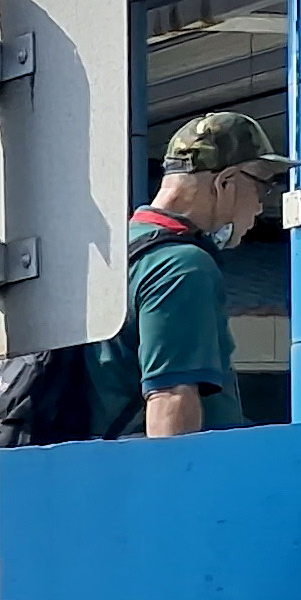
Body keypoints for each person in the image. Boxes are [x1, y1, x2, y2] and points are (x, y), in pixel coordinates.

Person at [88, 113, 285, 439]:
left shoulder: (113, 254)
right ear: (226, 182)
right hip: (154, 467)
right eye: (262, 189)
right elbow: (170, 400)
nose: (260, 207)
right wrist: (177, 474)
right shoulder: (182, 266)